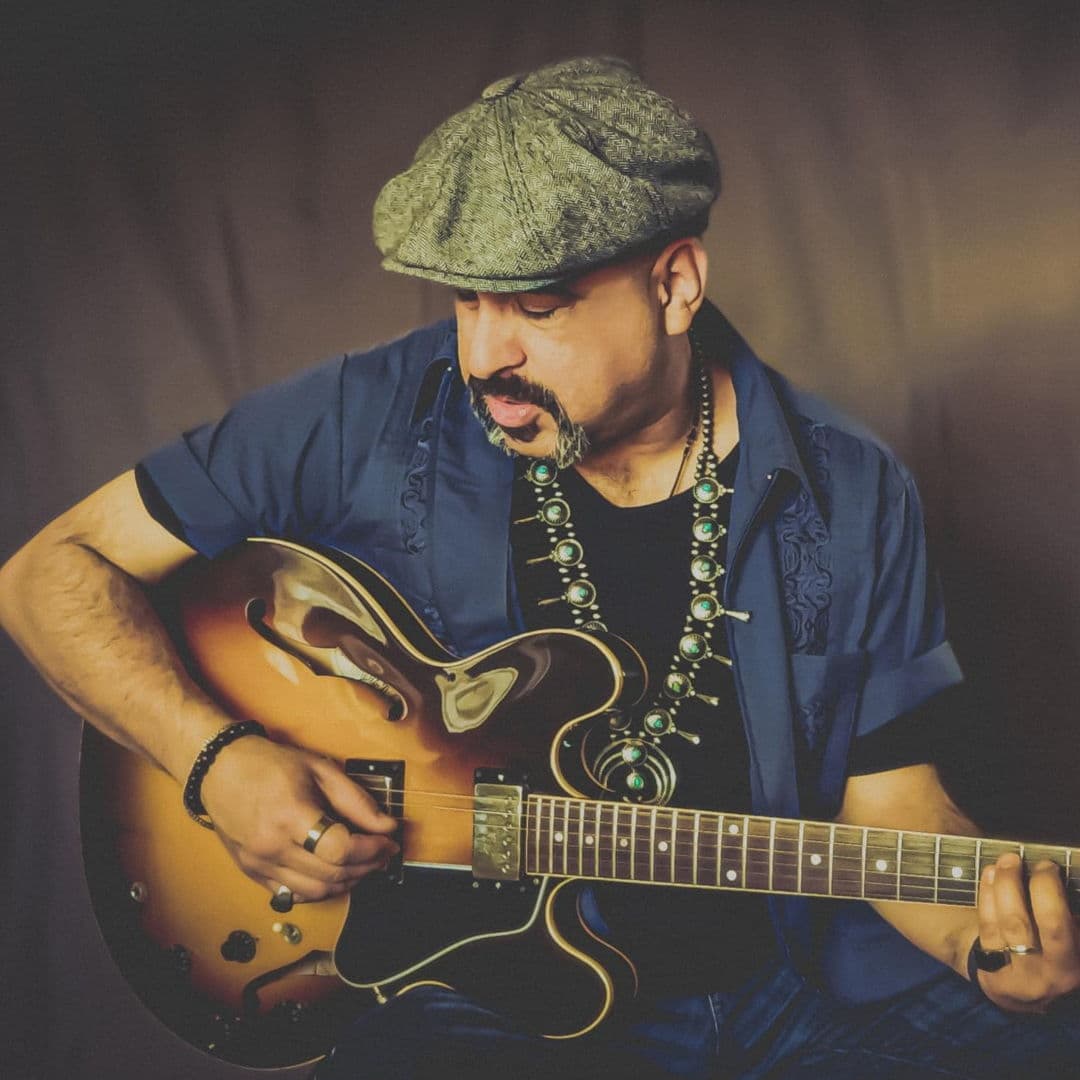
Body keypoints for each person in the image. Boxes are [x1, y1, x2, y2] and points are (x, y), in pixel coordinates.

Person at [1, 56, 1078, 1079]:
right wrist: (217, 761)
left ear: (675, 283)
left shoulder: (850, 488)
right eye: (466, 300)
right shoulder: (367, 415)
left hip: (792, 988)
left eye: (536, 306)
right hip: (490, 1003)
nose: (483, 355)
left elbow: (891, 804)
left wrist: (985, 942)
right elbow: (49, 572)